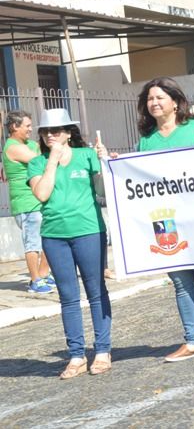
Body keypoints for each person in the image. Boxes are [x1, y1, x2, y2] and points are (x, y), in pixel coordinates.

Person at [98, 77, 194, 362]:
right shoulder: (147, 140)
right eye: (149, 99)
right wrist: (115, 163)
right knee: (180, 282)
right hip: (164, 221)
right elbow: (138, 179)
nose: (153, 103)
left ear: (175, 102)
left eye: (159, 98)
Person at [27, 108, 112, 377]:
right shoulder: (37, 163)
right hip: (54, 236)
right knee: (68, 297)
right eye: (45, 131)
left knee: (96, 291)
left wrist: (104, 163)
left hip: (89, 231)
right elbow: (42, 194)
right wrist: (52, 160)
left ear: (68, 133)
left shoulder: (87, 155)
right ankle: (76, 355)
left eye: (56, 130)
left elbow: (104, 191)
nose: (50, 135)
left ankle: (102, 350)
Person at [2, 110, 53, 294]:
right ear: (14, 127)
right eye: (27, 126)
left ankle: (43, 274)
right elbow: (42, 161)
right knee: (33, 243)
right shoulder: (13, 147)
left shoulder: (30, 144)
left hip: (40, 200)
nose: (31, 129)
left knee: (49, 239)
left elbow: (44, 155)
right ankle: (35, 281)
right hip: (26, 204)